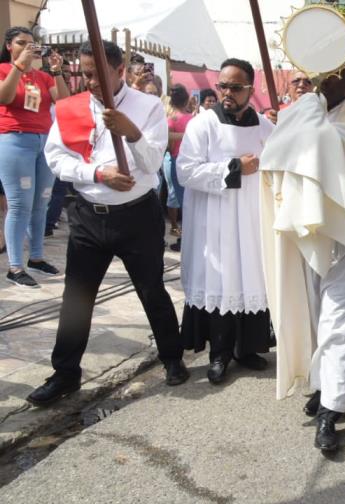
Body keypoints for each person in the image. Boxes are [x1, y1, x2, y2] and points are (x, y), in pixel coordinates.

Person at [27, 39, 189, 406]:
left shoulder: (147, 106)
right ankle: (65, 373)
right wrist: (98, 174)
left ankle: (172, 358)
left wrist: (132, 133)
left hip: (137, 216)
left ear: (119, 71)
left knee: (151, 290)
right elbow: (57, 159)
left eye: (98, 75)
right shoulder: (70, 107)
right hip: (89, 215)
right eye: (86, 75)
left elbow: (151, 164)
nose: (91, 83)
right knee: (76, 298)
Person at [260, 65, 345, 452]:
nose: (324, 83)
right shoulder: (295, 115)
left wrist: (314, 126)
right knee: (312, 321)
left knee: (339, 326)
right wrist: (303, 121)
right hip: (302, 238)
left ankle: (331, 411)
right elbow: (273, 160)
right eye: (318, 76)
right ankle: (321, 385)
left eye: (335, 76)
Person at [176, 58, 274, 384]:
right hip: (215, 220)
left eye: (235, 87)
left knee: (251, 278)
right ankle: (219, 354)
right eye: (223, 86)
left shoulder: (265, 127)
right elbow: (185, 171)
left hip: (252, 219)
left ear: (250, 89)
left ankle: (248, 349)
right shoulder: (202, 124)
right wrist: (234, 168)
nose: (227, 93)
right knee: (222, 281)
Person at [0, 26, 69, 287]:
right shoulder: (4, 70)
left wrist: (57, 71)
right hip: (15, 140)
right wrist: (19, 66)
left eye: (32, 43)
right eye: (21, 43)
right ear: (9, 46)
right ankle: (15, 266)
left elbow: (64, 102)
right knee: (19, 204)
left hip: (44, 142)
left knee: (42, 202)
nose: (28, 47)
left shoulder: (43, 77)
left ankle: (36, 257)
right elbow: (4, 97)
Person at [163, 84, 191, 241]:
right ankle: (188, 234)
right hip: (192, 162)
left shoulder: (171, 120)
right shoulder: (194, 119)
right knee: (190, 200)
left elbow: (169, 145)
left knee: (178, 198)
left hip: (176, 161)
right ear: (187, 100)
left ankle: (181, 233)